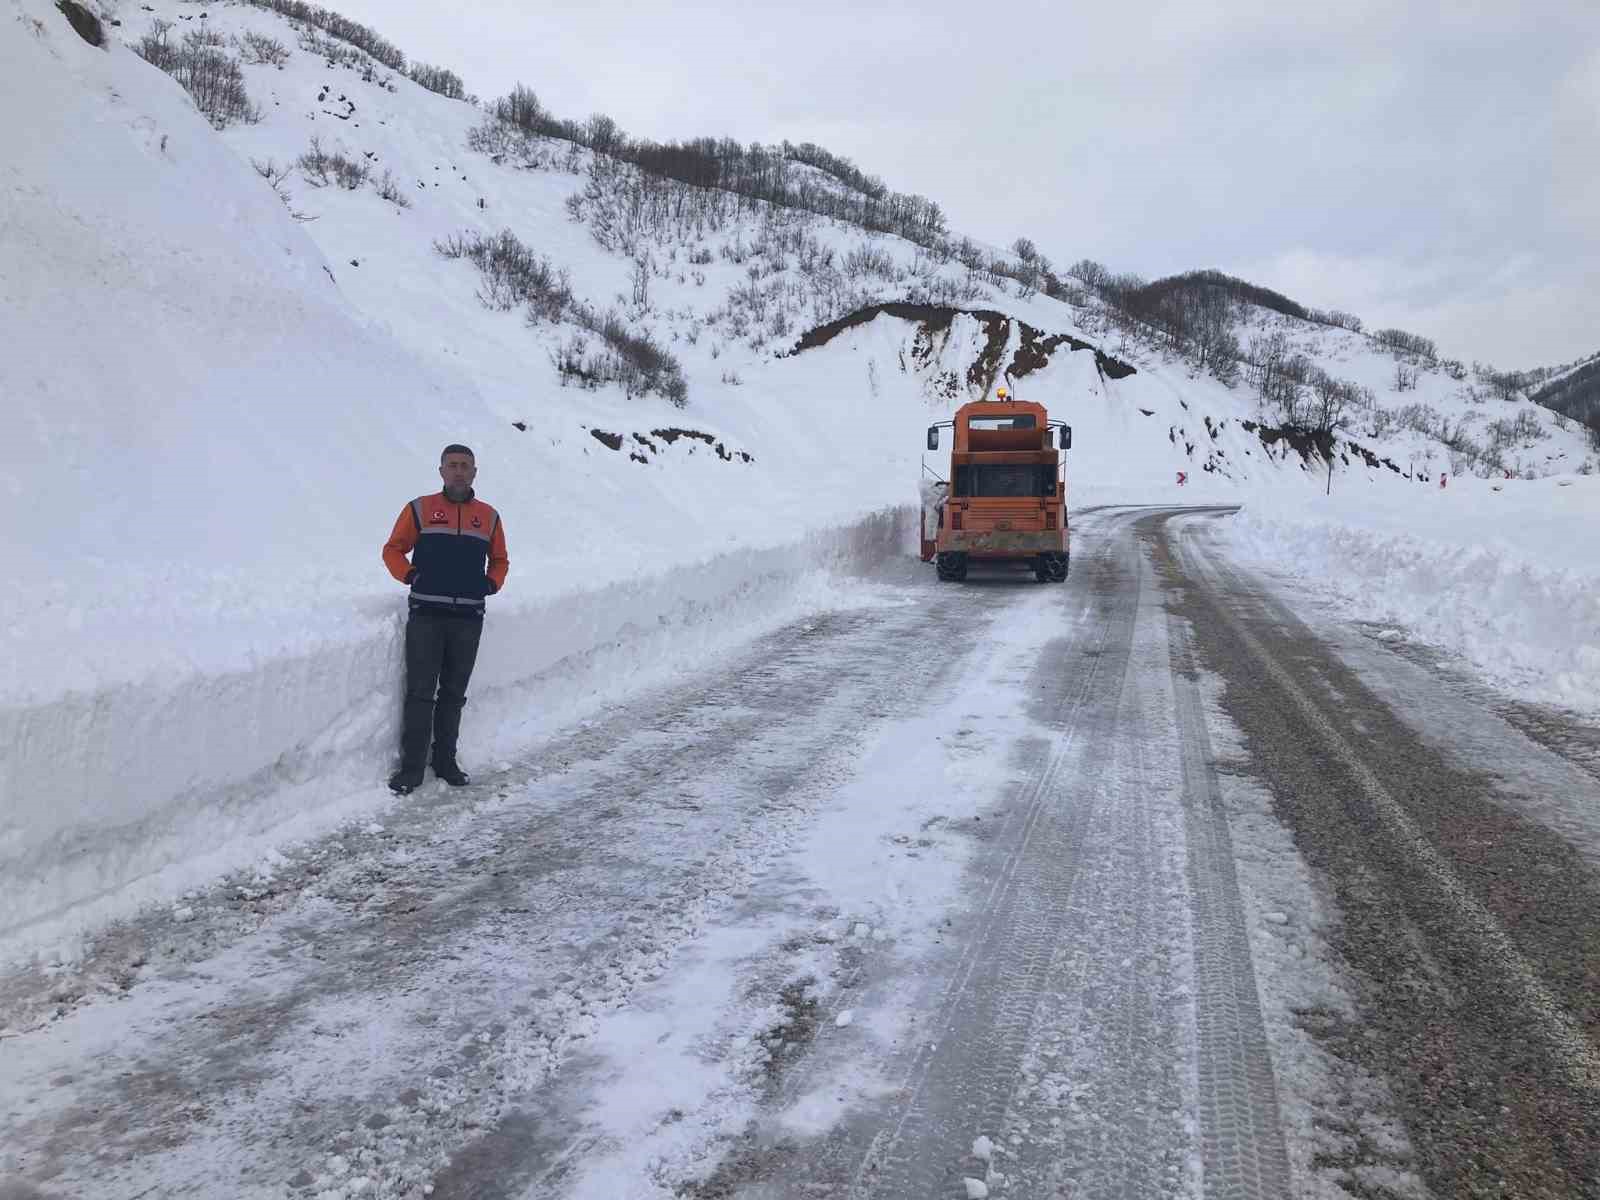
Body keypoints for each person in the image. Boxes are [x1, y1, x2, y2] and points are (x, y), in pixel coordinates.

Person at [381, 444, 509, 794]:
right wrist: (409, 575)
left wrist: (491, 583)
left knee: (454, 694)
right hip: (427, 615)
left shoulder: (489, 516)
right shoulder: (420, 509)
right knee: (421, 693)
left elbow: (500, 560)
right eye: (452, 465)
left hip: (468, 617)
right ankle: (411, 768)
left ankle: (445, 761)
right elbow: (392, 549)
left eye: (465, 466)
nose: (458, 471)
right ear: (441, 471)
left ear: (474, 473)